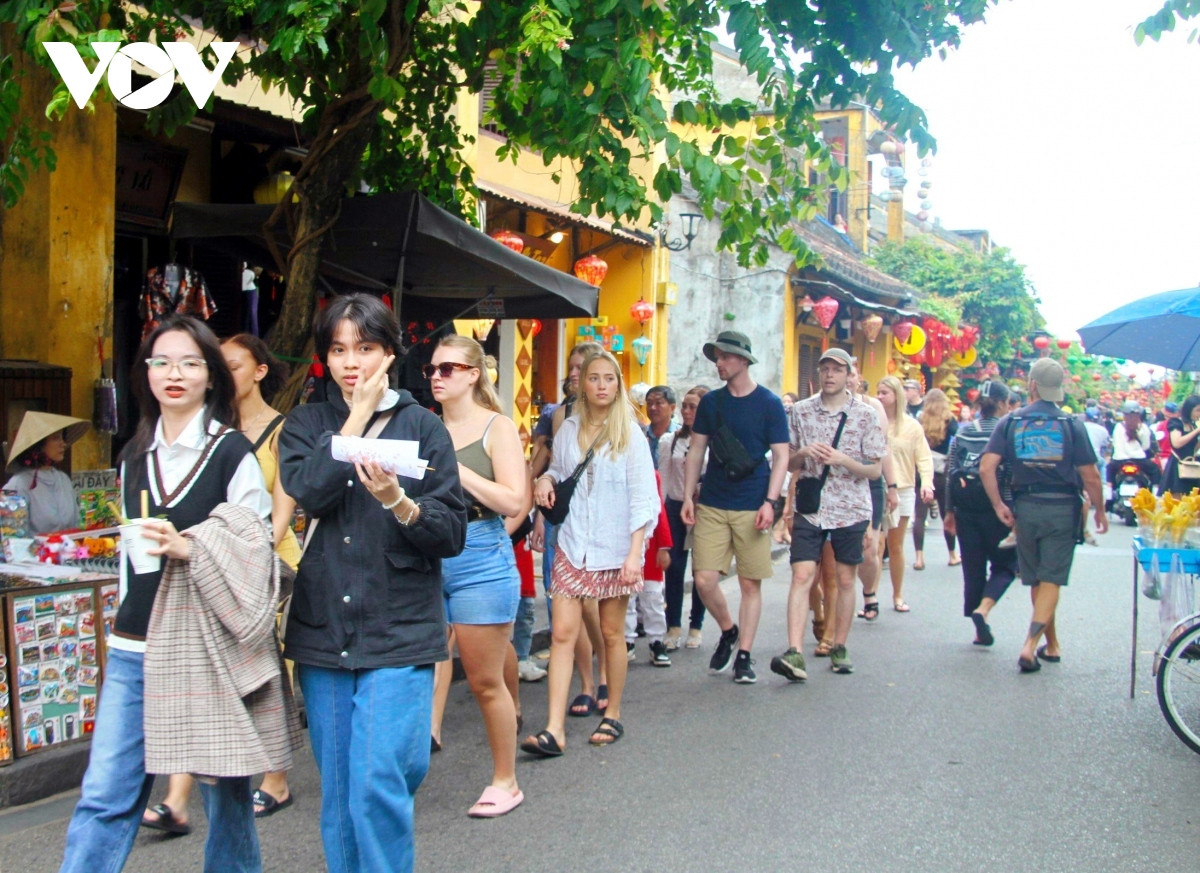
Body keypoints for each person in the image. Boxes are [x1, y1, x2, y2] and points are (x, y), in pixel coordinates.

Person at [60, 314, 293, 873]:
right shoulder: (133, 457)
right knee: (106, 795)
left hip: (205, 650)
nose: (174, 374)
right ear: (145, 374)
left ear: (210, 377)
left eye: (190, 363)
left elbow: (257, 548)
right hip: (134, 650)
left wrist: (192, 548)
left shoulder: (231, 453)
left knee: (227, 799)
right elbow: (128, 564)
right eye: (161, 361)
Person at [278, 293, 467, 873]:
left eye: (364, 348)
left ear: (389, 352)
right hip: (323, 633)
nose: (350, 362)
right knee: (338, 793)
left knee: (379, 781)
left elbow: (450, 531)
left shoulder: (423, 426)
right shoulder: (307, 423)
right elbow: (306, 491)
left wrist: (399, 502)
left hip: (400, 630)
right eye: (337, 350)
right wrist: (355, 420)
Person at [141, 333, 304, 829]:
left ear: (258, 371)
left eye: (231, 365)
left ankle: (274, 778)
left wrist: (243, 555)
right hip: (199, 567)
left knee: (259, 677)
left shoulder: (280, 430)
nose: (221, 374)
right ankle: (177, 798)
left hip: (265, 564)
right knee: (202, 682)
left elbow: (278, 511)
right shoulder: (201, 431)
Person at [524, 349, 659, 754]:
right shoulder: (568, 430)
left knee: (612, 633)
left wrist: (634, 554)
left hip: (614, 549)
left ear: (618, 385)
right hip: (572, 544)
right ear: (582, 383)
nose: (602, 386)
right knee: (563, 634)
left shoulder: (631, 433)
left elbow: (643, 498)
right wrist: (545, 480)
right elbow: (561, 473)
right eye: (594, 378)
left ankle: (612, 712)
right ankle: (554, 728)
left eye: (609, 379)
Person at [423, 334, 528, 816]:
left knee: (485, 680)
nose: (437, 377)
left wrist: (454, 468)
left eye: (447, 368)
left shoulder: (496, 427)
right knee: (415, 667)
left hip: (481, 552)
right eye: (432, 369)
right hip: (426, 551)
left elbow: (512, 502)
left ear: (471, 374)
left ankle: (505, 780)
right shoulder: (423, 427)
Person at [979, 358, 1105, 673]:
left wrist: (998, 505)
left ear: (1032, 385)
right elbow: (1090, 474)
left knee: (1038, 579)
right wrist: (1100, 509)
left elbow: (986, 466)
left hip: (1025, 509)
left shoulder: (1010, 422)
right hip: (1062, 509)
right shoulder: (1070, 423)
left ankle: (1053, 644)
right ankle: (1030, 645)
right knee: (1051, 579)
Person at [681, 331, 790, 684]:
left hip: (752, 502)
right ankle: (728, 629)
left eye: (726, 357)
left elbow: (781, 455)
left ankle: (744, 653)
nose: (720, 363)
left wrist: (771, 502)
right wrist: (687, 496)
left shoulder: (769, 403)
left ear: (744, 359)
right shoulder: (712, 403)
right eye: (716, 358)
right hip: (713, 500)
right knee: (703, 578)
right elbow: (696, 449)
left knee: (749, 583)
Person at [773, 349, 885, 679]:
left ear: (849, 374)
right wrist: (803, 454)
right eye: (825, 369)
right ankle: (794, 652)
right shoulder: (801, 412)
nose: (830, 375)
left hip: (850, 508)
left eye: (837, 369)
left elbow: (876, 470)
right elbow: (786, 462)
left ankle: (839, 644)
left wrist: (843, 461)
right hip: (811, 506)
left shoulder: (865, 415)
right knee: (802, 575)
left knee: (845, 578)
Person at [942, 380, 1018, 646]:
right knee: (1006, 564)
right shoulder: (1006, 431)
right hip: (997, 509)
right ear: (1002, 403)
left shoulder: (963, 431)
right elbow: (1011, 474)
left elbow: (951, 472)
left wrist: (949, 511)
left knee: (973, 569)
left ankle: (978, 628)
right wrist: (1010, 508)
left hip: (965, 509)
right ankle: (983, 609)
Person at [875, 375, 934, 612]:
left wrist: (927, 483)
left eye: (884, 393)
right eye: (878, 392)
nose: (879, 397)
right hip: (876, 488)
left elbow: (924, 457)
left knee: (895, 545)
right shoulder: (873, 421)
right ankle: (871, 597)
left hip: (904, 489)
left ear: (896, 396)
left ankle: (897, 595)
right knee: (876, 546)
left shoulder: (911, 427)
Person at [659, 386, 710, 650]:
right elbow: (664, 480)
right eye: (686, 406)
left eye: (694, 407)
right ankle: (673, 625)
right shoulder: (671, 441)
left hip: (704, 511)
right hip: (676, 507)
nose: (688, 412)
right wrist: (660, 514)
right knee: (675, 568)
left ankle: (697, 625)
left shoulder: (714, 441)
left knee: (701, 570)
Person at [3, 412, 90, 534]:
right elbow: (12, 536)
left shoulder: (63, 479)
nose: (63, 444)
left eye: (62, 437)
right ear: (39, 446)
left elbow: (76, 523)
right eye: (56, 438)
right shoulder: (18, 484)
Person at [912, 388, 960, 569]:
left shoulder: (920, 418)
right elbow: (957, 440)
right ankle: (952, 554)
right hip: (943, 472)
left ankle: (919, 558)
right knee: (946, 513)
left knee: (919, 514)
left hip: (923, 470)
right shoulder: (950, 420)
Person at [1109, 400, 1159, 492]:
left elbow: (1115, 444)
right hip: (1139, 461)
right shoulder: (1143, 427)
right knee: (1155, 471)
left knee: (1109, 476)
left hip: (1118, 462)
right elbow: (1146, 446)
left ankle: (1109, 497)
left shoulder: (1118, 427)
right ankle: (1155, 494)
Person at [1160, 395, 1200, 496]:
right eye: (1197, 410)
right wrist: (1197, 431)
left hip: (1191, 466)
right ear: (1189, 409)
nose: (1199, 414)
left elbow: (1193, 449)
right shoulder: (1177, 423)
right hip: (1177, 467)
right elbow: (1177, 443)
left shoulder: (1193, 425)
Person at [645, 385, 678, 467]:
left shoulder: (681, 436)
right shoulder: (640, 434)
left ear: (672, 407)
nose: (652, 408)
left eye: (659, 403)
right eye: (649, 403)